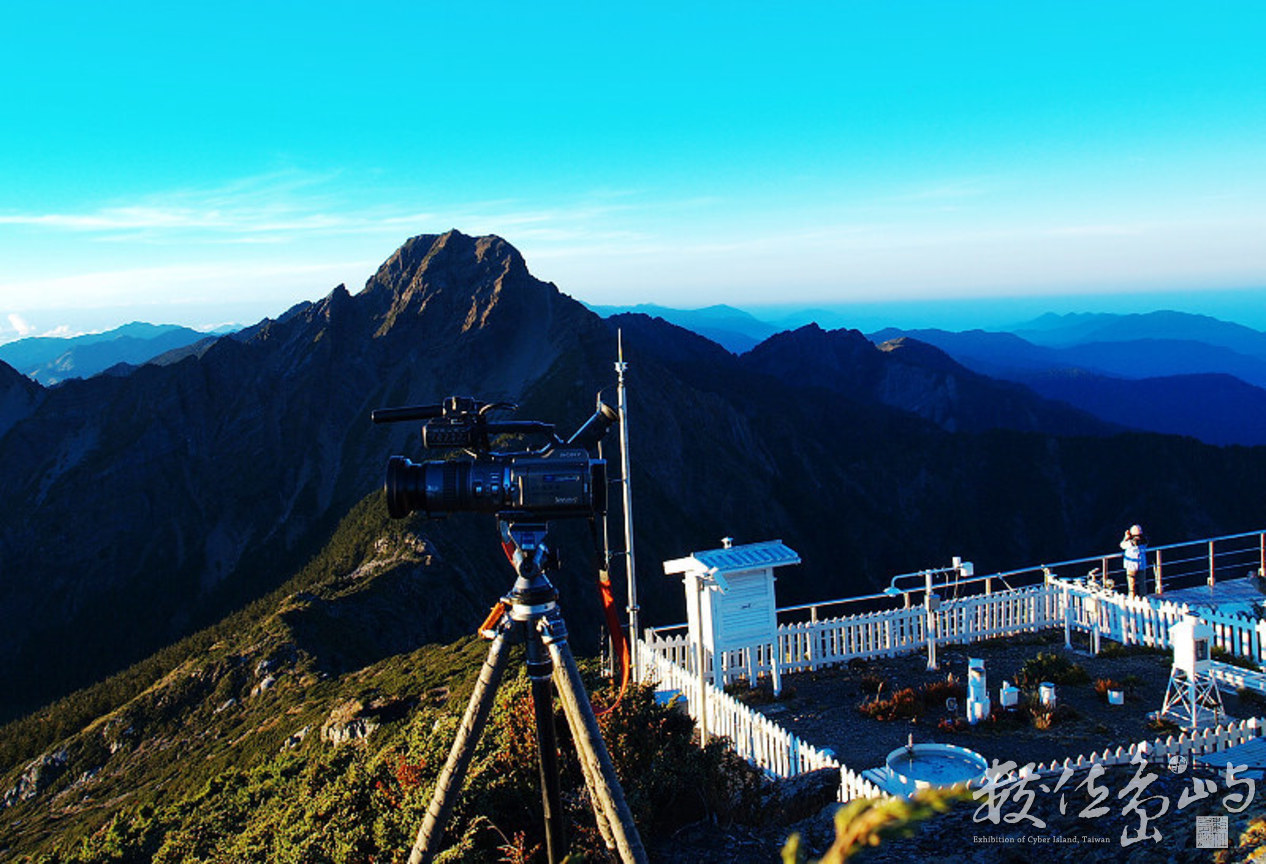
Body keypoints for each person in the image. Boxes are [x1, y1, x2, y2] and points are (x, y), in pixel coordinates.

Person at [1120, 524, 1147, 596]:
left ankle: (1133, 598)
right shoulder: (1144, 541)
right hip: (1141, 565)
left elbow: (1122, 545)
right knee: (1142, 584)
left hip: (1131, 566)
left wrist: (1126, 537)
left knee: (1131, 585)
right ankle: (1143, 597)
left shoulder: (1130, 543)